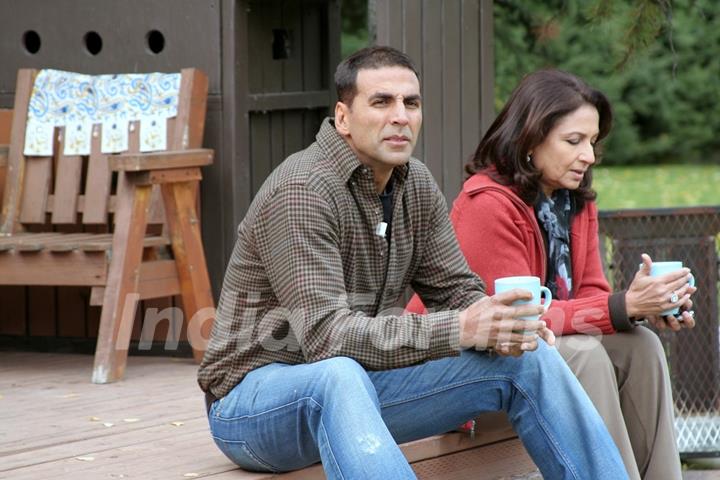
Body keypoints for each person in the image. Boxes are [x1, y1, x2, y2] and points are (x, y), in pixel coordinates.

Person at [198, 47, 628, 479]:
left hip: (363, 386)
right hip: (252, 407)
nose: (400, 116)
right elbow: (327, 339)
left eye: (411, 103)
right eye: (381, 102)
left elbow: (456, 290)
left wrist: (502, 323)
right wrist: (459, 328)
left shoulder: (414, 183)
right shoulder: (303, 191)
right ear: (343, 117)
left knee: (532, 359)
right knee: (337, 375)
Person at [408, 69, 695, 480]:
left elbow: (592, 297)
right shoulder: (487, 205)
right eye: (573, 141)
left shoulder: (572, 201)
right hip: (460, 373)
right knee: (584, 355)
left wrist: (642, 309)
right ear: (531, 139)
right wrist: (621, 305)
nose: (589, 156)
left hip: (532, 359)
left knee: (641, 347)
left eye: (593, 142)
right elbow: (520, 320)